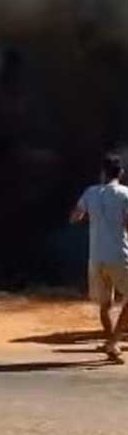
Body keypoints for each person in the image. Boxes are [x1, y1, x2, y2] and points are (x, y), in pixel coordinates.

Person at [71, 154, 128, 362]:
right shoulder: (124, 194)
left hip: (96, 258)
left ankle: (111, 344)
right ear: (120, 172)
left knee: (105, 304)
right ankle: (113, 341)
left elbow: (75, 217)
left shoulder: (90, 192)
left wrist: (96, 218)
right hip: (119, 255)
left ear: (103, 173)